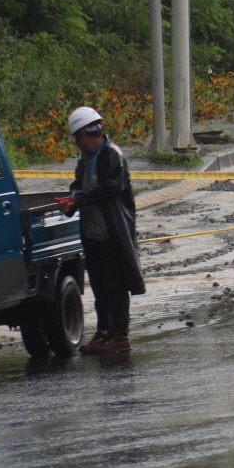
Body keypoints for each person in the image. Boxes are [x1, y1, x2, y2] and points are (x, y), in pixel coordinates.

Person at [56, 107, 145, 353]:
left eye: (76, 137)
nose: (76, 143)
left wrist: (79, 199)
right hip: (92, 233)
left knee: (115, 286)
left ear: (84, 133)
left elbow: (111, 188)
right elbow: (79, 186)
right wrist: (70, 200)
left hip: (112, 232)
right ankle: (104, 333)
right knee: (99, 286)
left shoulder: (112, 155)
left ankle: (120, 334)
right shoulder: (85, 160)